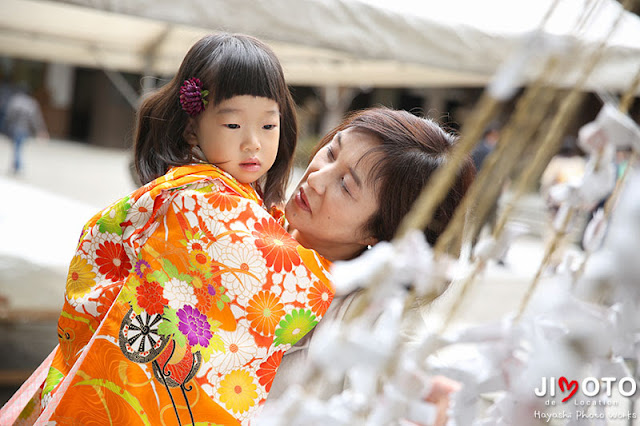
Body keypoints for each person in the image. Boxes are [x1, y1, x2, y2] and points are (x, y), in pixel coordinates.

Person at [1, 106, 474, 425]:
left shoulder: (360, 318)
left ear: (382, 232)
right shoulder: (245, 216)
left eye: (348, 185)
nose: (318, 176)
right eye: (332, 151)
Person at [2, 82, 49, 174]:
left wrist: (7, 127)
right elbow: (35, 119)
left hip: (14, 128)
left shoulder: (15, 101)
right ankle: (18, 165)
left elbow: (9, 115)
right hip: (25, 130)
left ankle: (17, 164)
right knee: (18, 147)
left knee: (17, 147)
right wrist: (40, 130)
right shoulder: (31, 103)